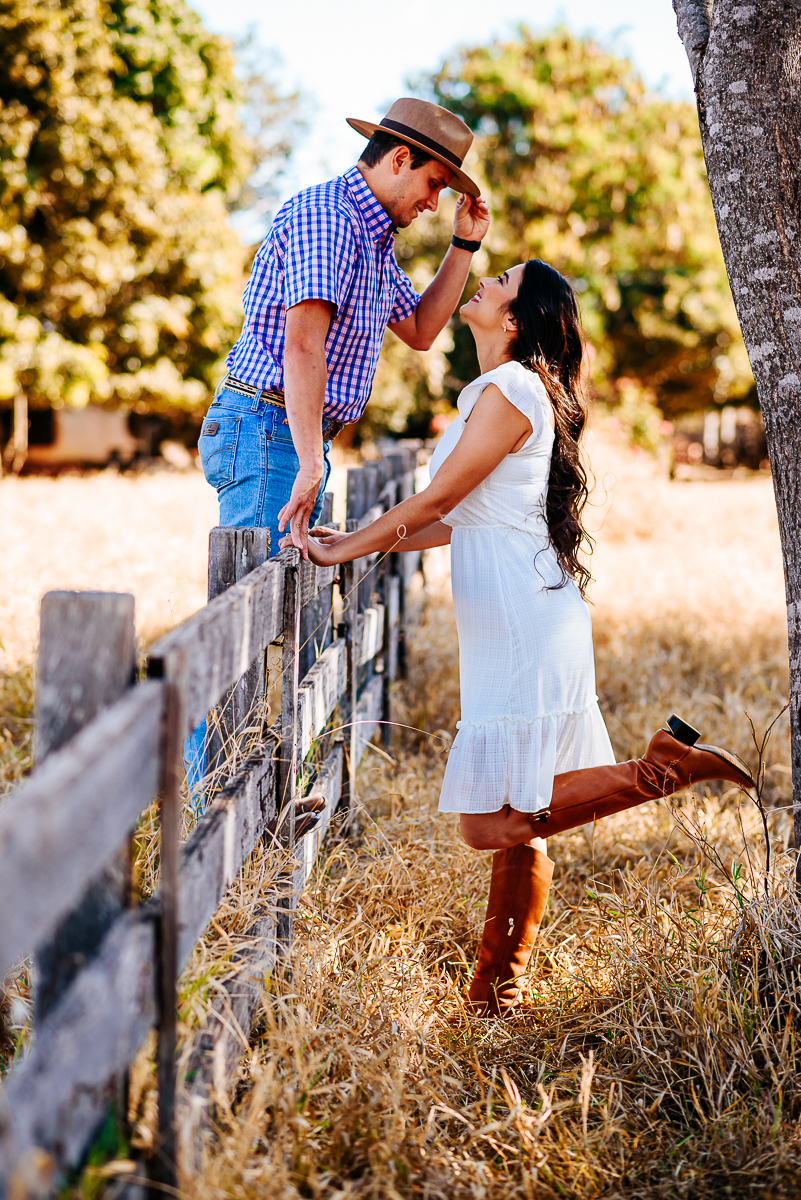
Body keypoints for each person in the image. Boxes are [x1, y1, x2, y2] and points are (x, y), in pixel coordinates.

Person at [287, 258, 755, 1018]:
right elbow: (450, 520)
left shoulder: (509, 389)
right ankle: (493, 996)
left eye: (499, 280)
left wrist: (347, 547)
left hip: (519, 621)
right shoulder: (508, 391)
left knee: (487, 822)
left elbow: (437, 494)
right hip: (520, 610)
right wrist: (367, 539)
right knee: (518, 825)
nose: (483, 283)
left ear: (513, 319)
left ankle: (662, 770)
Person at [196, 97, 490, 559]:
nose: (433, 204)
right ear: (399, 159)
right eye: (433, 184)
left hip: (287, 429)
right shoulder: (330, 218)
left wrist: (464, 244)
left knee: (284, 608)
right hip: (268, 425)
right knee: (260, 605)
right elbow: (303, 346)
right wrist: (311, 460)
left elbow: (420, 330)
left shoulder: (373, 240)